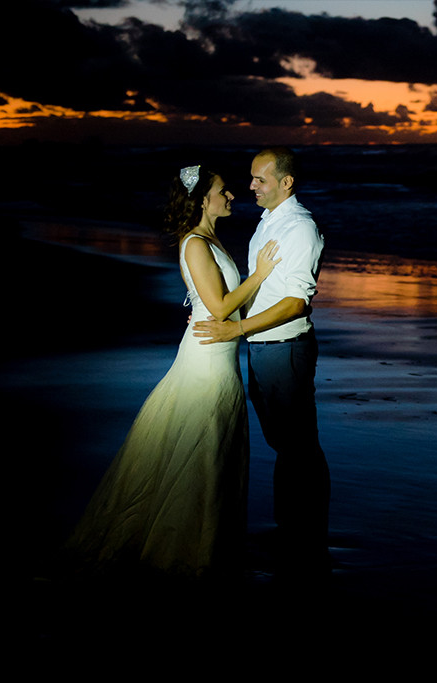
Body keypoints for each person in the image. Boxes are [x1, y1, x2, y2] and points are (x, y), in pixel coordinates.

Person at [64, 165, 281, 580]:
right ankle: (186, 555)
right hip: (207, 362)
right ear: (202, 199)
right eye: (223, 190)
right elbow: (219, 308)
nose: (232, 195)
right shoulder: (196, 243)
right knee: (202, 451)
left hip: (218, 354)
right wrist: (260, 275)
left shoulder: (211, 239)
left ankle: (203, 546)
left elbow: (218, 305)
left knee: (209, 453)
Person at [193, 147, 330, 579]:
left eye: (260, 179)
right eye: (251, 178)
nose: (250, 186)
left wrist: (236, 329)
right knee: (287, 447)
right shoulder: (268, 222)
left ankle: (305, 540)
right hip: (262, 348)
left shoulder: (300, 228)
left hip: (284, 349)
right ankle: (295, 533)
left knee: (299, 449)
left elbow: (294, 301)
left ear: (286, 182)